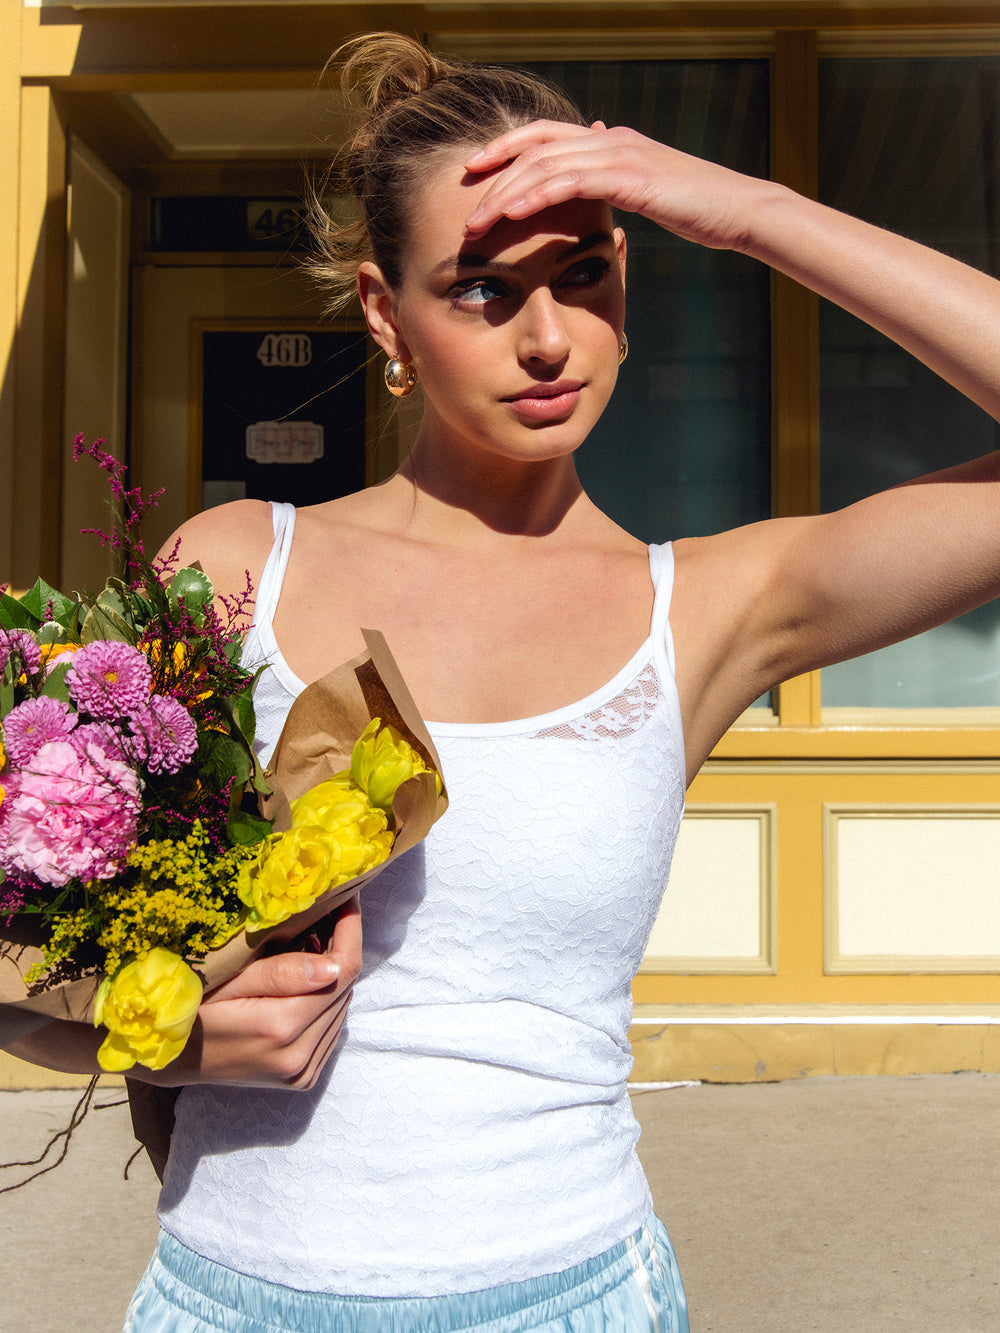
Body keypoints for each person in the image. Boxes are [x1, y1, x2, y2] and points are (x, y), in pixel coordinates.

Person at [7, 29, 1000, 1331]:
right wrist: (171, 1032)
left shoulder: (706, 608)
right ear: (386, 313)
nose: (546, 336)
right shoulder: (236, 567)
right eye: (481, 287)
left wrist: (746, 209)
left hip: (576, 1296)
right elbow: (28, 968)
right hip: (226, 1302)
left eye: (585, 273)